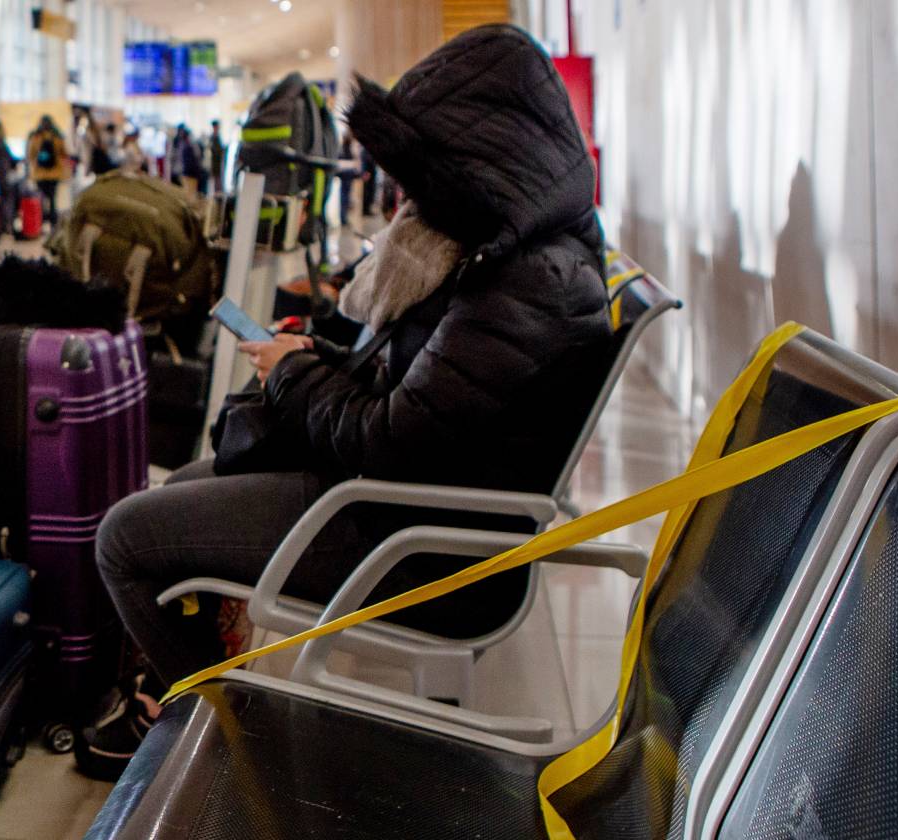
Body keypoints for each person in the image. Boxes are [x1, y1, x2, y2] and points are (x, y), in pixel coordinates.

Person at [86, 26, 615, 776]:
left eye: (421, 170)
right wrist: (316, 358)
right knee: (185, 488)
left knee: (126, 539)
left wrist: (293, 375)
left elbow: (387, 437)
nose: (408, 194)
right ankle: (194, 694)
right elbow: (423, 388)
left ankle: (224, 741)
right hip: (411, 505)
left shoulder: (528, 283)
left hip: (421, 546)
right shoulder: (524, 256)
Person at [26, 115, 67, 225]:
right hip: (55, 173)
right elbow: (64, 153)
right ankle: (53, 222)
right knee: (53, 199)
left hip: (39, 174)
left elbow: (30, 155)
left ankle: (41, 222)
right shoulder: (58, 136)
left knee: (41, 199)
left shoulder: (35, 137)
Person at [168, 123, 205, 192]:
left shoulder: (189, 144)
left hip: (185, 172)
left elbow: (197, 157)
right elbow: (171, 158)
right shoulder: (176, 142)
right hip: (178, 172)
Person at [205, 118, 226, 195]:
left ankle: (217, 195)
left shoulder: (217, 137)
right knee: (215, 182)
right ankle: (216, 196)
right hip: (214, 163)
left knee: (217, 182)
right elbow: (214, 151)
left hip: (218, 163)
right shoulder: (213, 137)